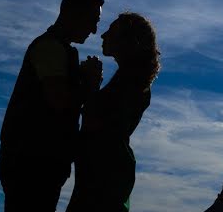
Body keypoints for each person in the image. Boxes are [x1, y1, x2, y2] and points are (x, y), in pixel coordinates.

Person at [0, 0, 104, 212]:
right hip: (32, 163)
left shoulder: (60, 50)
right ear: (73, 14)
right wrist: (89, 83)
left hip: (41, 162)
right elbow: (59, 100)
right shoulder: (50, 47)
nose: (95, 30)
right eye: (92, 20)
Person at [67, 11, 161, 212]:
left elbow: (99, 124)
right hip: (103, 171)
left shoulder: (131, 83)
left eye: (111, 31)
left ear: (128, 41)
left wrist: (91, 85)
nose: (102, 35)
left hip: (103, 175)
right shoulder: (131, 81)